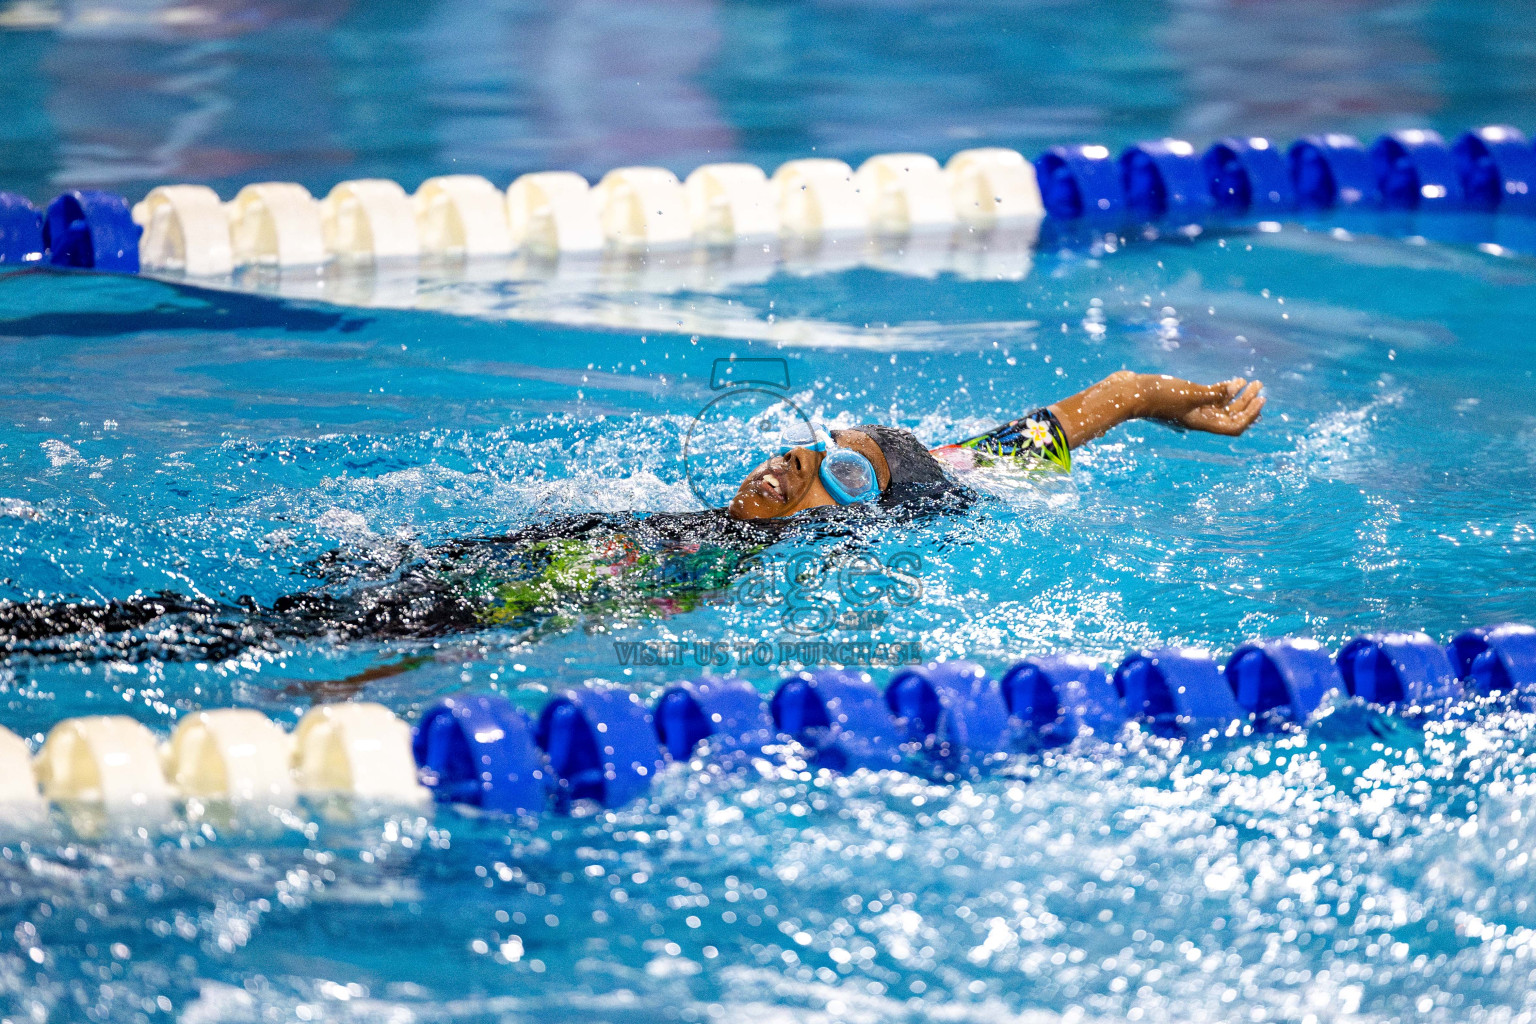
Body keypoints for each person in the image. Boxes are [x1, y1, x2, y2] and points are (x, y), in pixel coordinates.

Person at [0, 371, 1263, 665]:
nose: (785, 471)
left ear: (847, 524)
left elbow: (545, 617)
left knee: (195, 631)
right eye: (803, 450)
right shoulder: (908, 474)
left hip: (444, 603)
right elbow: (1048, 428)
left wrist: (379, 673)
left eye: (832, 481)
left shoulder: (717, 568)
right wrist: (1170, 398)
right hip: (459, 553)